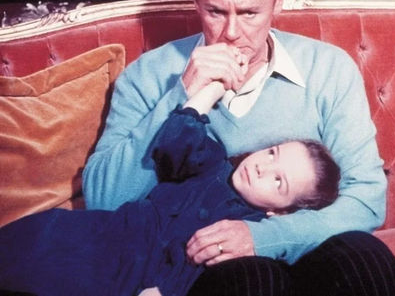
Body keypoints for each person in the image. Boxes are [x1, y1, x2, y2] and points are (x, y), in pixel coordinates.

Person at [82, 0, 395, 296]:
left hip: (307, 243)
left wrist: (264, 236)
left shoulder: (329, 68)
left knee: (364, 257)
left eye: (250, 13)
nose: (231, 32)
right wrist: (183, 94)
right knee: (255, 280)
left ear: (279, 1)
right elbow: (103, 200)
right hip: (202, 266)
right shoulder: (148, 74)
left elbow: (366, 200)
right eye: (214, 11)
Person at [0, 81, 340, 296]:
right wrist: (206, 95)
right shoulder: (214, 163)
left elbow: (196, 269)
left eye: (278, 181)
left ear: (279, 211)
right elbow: (174, 145)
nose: (262, 167)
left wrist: (161, 291)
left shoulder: (245, 231)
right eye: (271, 153)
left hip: (137, 275)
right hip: (108, 236)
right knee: (34, 246)